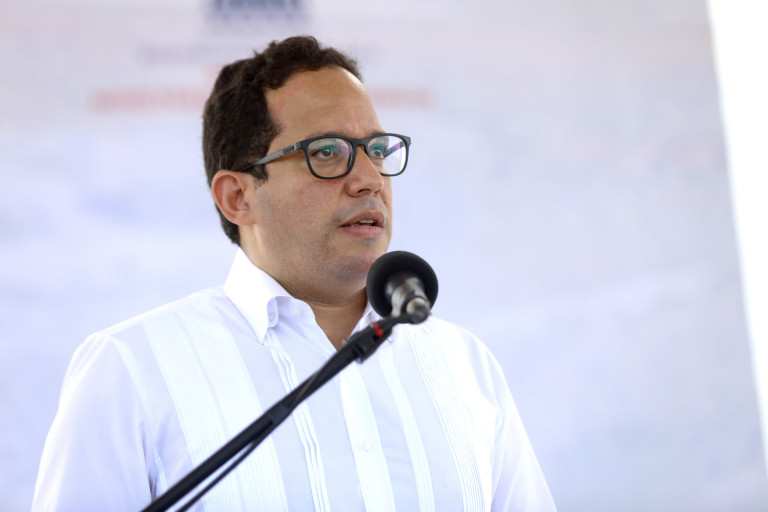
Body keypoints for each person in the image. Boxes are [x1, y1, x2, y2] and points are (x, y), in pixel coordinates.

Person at [32, 36, 556, 511]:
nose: (370, 179)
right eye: (326, 152)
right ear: (238, 197)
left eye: (377, 151)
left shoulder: (463, 365)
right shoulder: (130, 371)